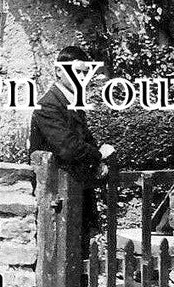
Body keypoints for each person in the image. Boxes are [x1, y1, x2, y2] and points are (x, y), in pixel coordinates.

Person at [29, 46, 115, 253]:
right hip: (57, 194)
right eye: (77, 72)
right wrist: (98, 155)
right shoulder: (48, 105)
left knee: (80, 256)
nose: (82, 77)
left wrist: (98, 162)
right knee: (61, 255)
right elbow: (68, 147)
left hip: (76, 188)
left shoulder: (72, 102)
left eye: (86, 72)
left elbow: (83, 140)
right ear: (59, 71)